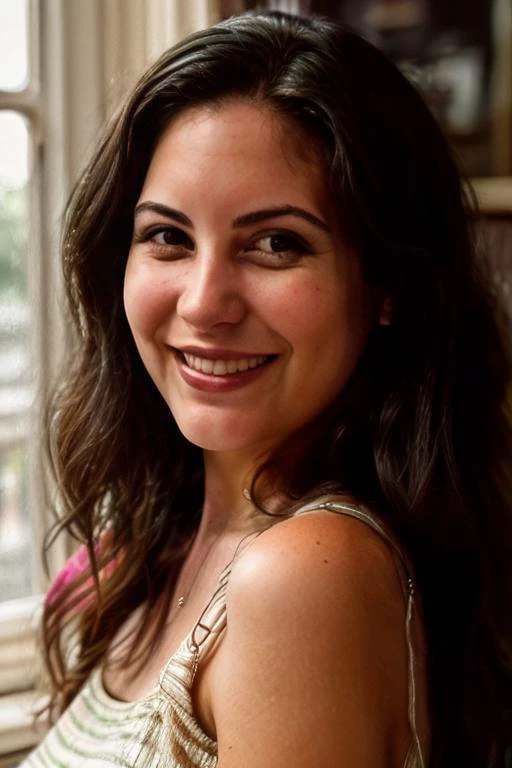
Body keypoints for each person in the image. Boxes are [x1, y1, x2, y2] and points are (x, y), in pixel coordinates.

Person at [22, 9, 512, 768]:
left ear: (387, 284)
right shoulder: (157, 548)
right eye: (168, 237)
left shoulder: (302, 578)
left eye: (276, 243)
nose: (202, 303)